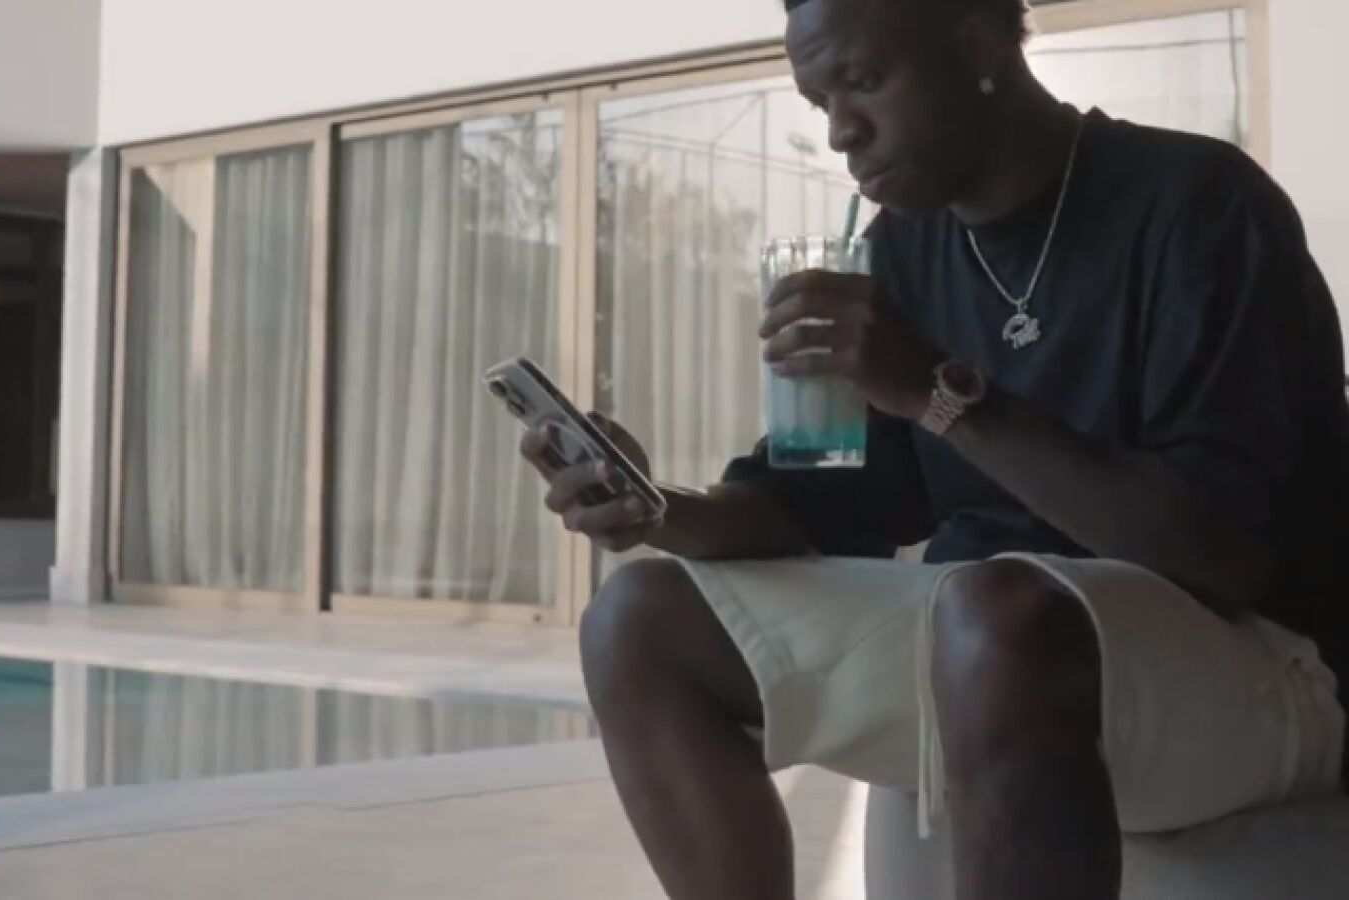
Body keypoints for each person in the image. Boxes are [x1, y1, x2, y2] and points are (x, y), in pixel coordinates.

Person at [519, 0, 1349, 898]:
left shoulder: (1197, 204)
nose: (841, 131)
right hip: (986, 648)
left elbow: (1218, 555)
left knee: (997, 607)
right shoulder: (904, 251)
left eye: (864, 81)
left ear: (980, 43)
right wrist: (655, 508)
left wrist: (934, 393)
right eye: (820, 102)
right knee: (638, 616)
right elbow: (822, 506)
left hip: (1259, 665)